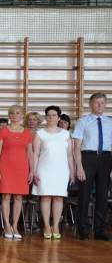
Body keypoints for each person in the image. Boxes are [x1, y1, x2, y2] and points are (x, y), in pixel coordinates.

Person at [72, 93, 112, 241]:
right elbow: (77, 146)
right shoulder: (83, 122)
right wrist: (80, 167)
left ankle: (100, 230)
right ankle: (83, 230)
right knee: (84, 195)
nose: (99, 105)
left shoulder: (110, 123)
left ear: (106, 104)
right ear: (90, 104)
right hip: (88, 157)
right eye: (96, 103)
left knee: (102, 196)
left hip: (106, 158)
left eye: (102, 103)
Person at [32, 106, 74, 239]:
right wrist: (34, 171)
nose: (51, 117)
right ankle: (46, 225)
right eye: (49, 115)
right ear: (45, 117)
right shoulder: (40, 133)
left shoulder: (66, 134)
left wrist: (72, 171)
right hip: (44, 170)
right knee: (45, 197)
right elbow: (35, 154)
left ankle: (55, 225)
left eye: (54, 115)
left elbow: (70, 155)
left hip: (61, 170)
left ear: (59, 118)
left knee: (58, 197)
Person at [0, 105, 34, 239]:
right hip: (5, 167)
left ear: (22, 115)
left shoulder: (28, 133)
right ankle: (6, 225)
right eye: (12, 113)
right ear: (9, 115)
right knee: (6, 197)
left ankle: (15, 226)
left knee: (18, 197)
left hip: (22, 168)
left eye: (17, 113)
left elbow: (30, 152)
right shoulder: (3, 132)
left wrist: (32, 171)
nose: (15, 115)